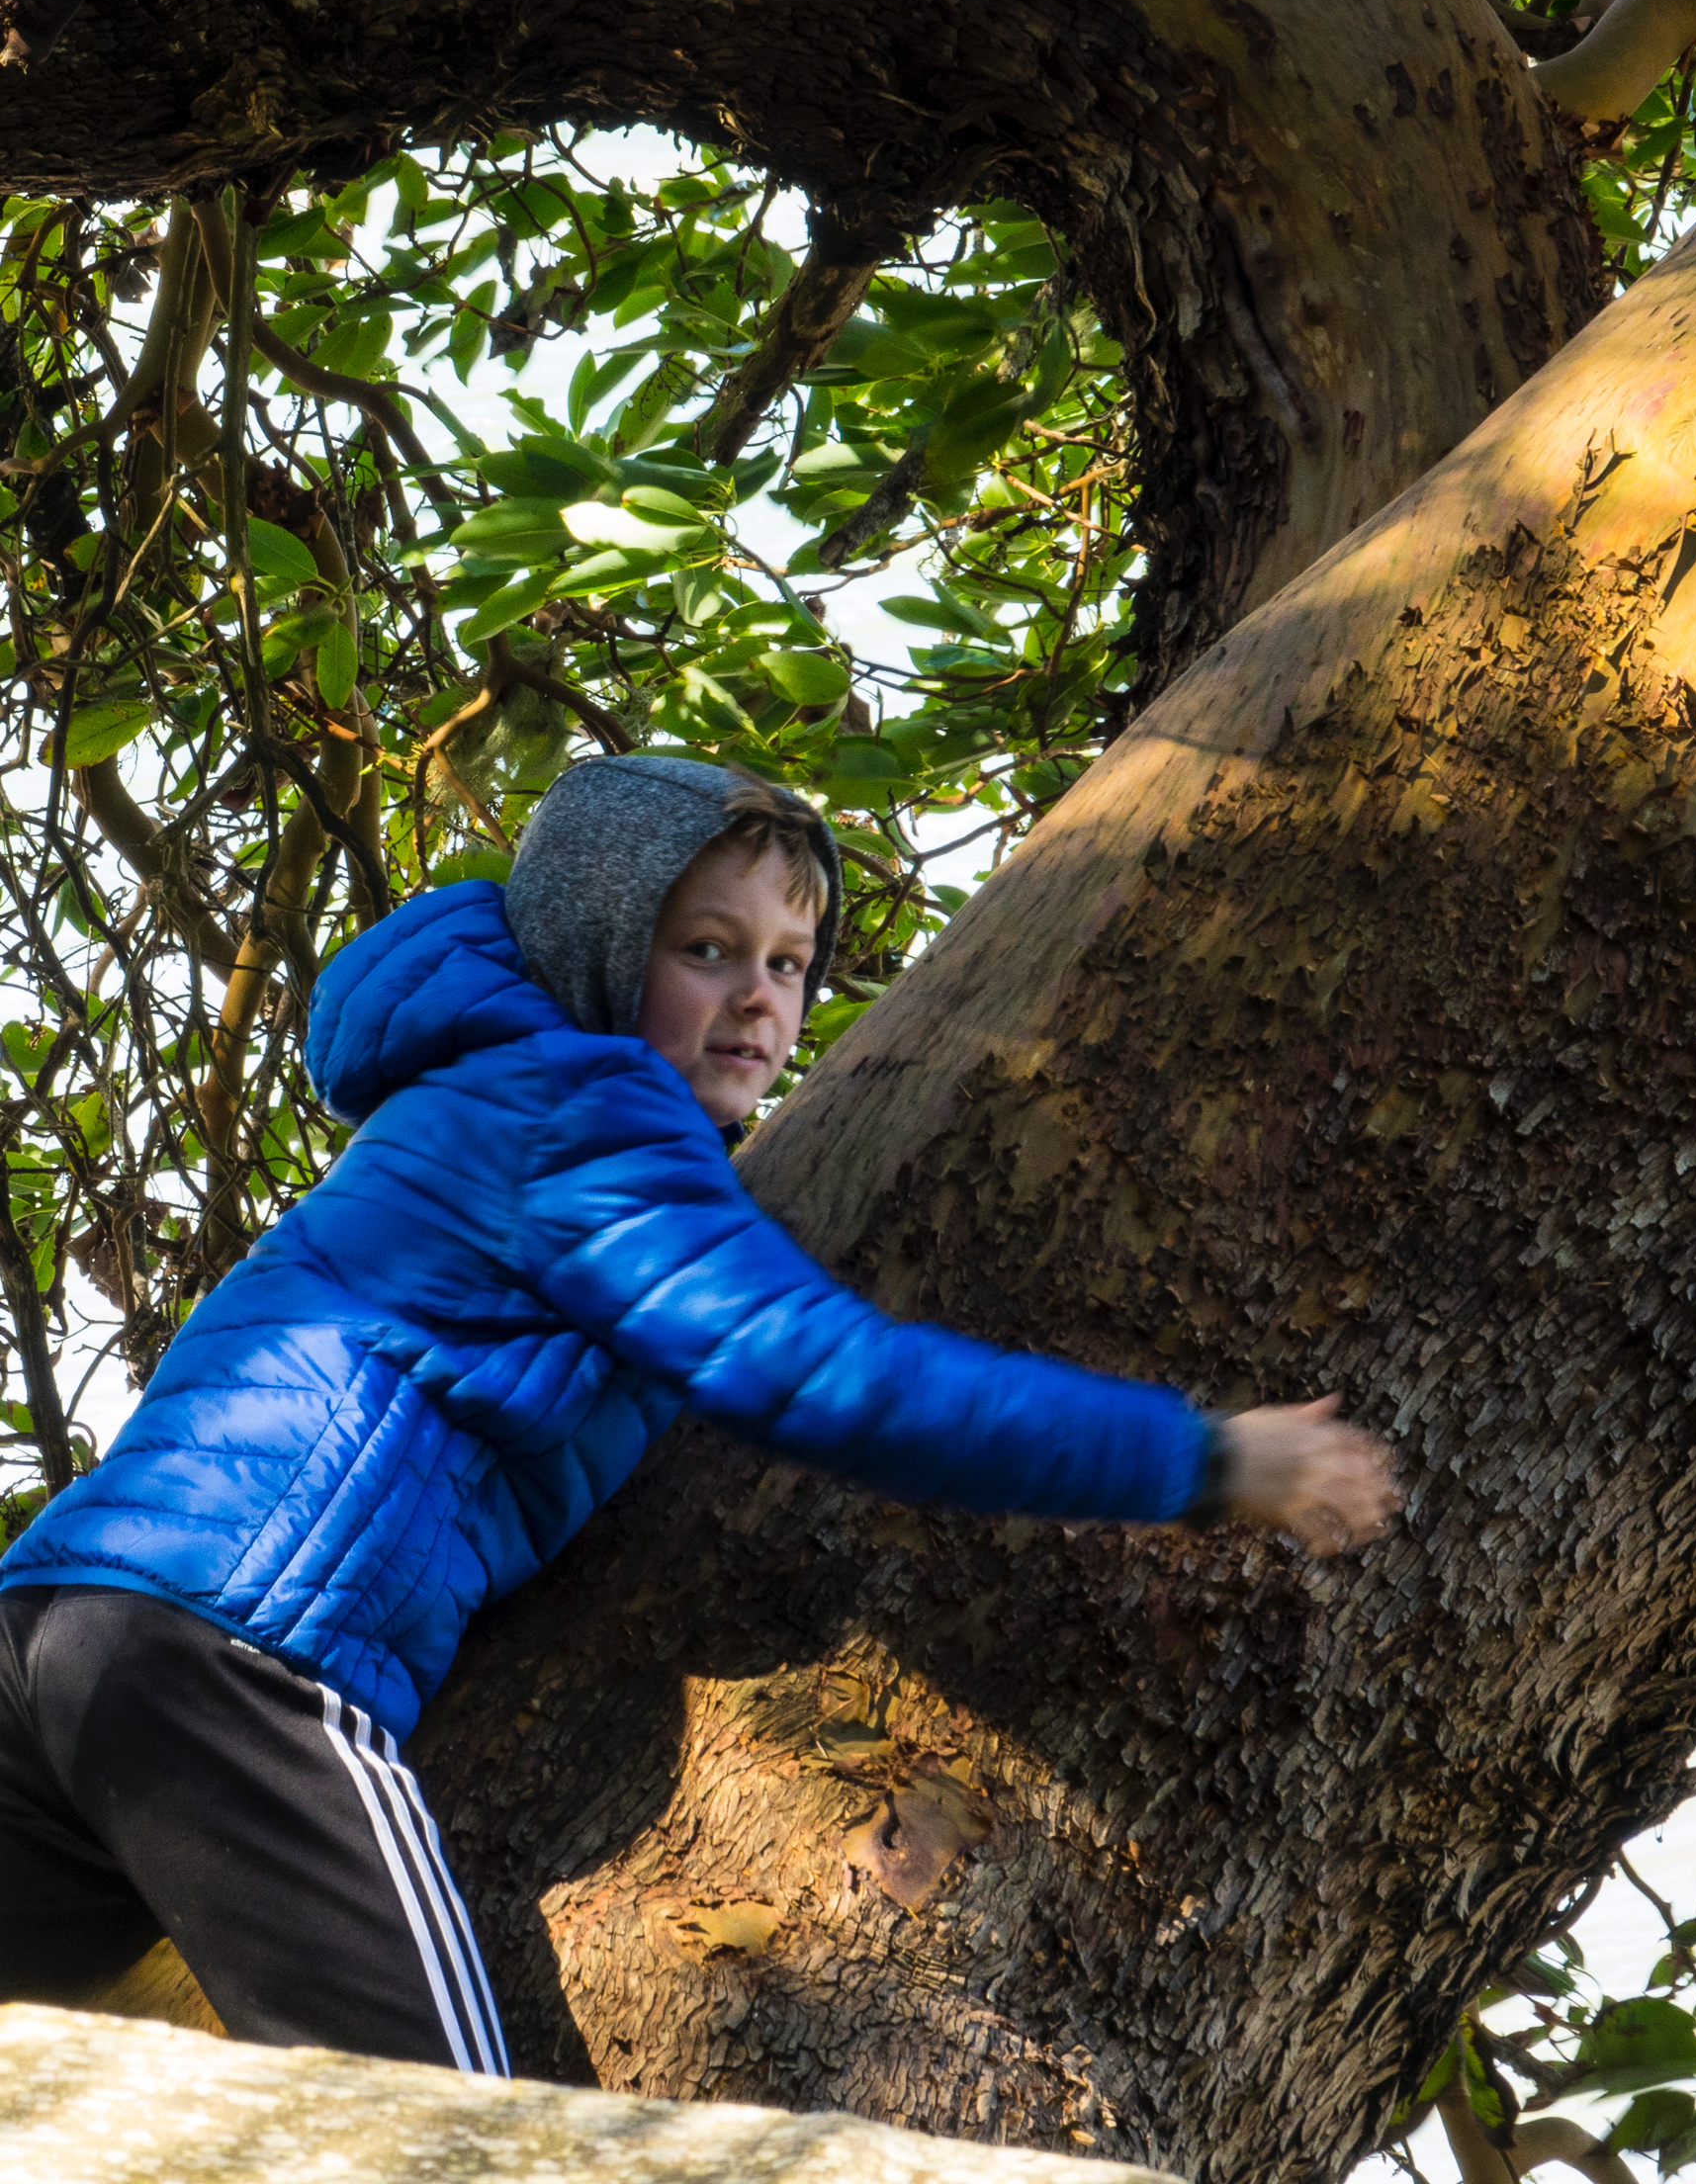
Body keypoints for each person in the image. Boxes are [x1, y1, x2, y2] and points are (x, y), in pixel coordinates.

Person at [0, 756, 1395, 2073]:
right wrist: (1200, 1457)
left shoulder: (478, 1091)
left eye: (788, 964)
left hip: (61, 1623)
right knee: (436, 2141)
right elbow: (819, 1374)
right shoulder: (588, 1108)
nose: (760, 1002)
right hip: (238, 1651)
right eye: (706, 952)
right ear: (605, 948)